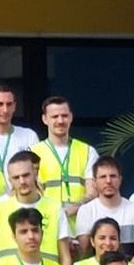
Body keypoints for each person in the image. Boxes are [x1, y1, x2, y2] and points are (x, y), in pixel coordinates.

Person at [0, 151, 73, 265]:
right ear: (10, 180)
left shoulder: (55, 208)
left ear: (35, 174)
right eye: (16, 177)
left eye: (26, 175)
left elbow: (65, 258)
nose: (22, 181)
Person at [31, 96, 98, 232]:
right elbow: (33, 190)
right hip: (47, 225)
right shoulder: (33, 153)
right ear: (45, 119)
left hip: (82, 226)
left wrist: (75, 208)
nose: (60, 121)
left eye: (64, 116)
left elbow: (93, 190)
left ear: (71, 117)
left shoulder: (87, 151)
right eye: (55, 116)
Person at [74, 156, 134, 260]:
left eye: (113, 176)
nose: (108, 181)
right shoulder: (86, 211)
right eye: (103, 177)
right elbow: (84, 252)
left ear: (120, 179)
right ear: (94, 182)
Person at [0, 84, 39, 178]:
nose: (5, 110)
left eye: (9, 104)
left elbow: (37, 173)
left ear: (14, 107)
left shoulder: (29, 136)